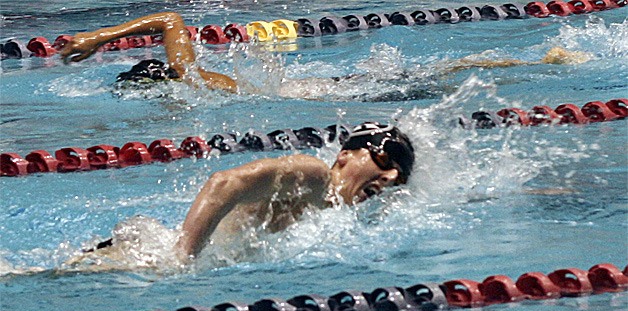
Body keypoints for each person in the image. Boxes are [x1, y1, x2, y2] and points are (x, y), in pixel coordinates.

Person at [59, 12, 591, 98]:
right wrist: (100, 38)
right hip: (317, 85)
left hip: (325, 91)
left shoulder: (190, 77)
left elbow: (172, 21)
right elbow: (170, 21)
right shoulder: (202, 77)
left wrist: (99, 35)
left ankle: (543, 63)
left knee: (437, 78)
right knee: (437, 72)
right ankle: (541, 61)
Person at [173, 122, 414, 262]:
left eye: (398, 176)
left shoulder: (342, 213)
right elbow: (224, 183)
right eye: (383, 160)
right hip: (159, 258)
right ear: (344, 155)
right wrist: (183, 259)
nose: (390, 177)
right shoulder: (315, 177)